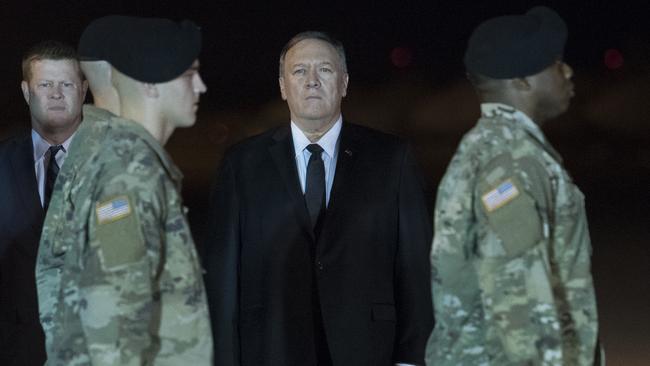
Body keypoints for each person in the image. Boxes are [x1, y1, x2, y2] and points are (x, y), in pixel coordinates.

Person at [205, 31, 433, 366]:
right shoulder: (242, 164)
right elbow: (223, 278)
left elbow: (416, 267)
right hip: (270, 350)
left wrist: (411, 358)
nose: (312, 81)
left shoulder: (391, 159)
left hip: (367, 350)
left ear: (344, 83)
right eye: (299, 72)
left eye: (324, 70)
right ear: (283, 87)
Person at [426, 6, 601, 366]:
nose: (567, 71)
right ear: (522, 81)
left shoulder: (493, 147)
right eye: (555, 63)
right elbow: (518, 296)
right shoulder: (510, 161)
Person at [35, 16, 212, 365]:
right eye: (189, 74)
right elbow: (113, 313)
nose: (202, 86)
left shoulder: (105, 154)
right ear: (150, 83)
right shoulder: (129, 172)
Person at [0, 40, 87, 365]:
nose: (55, 94)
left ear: (83, 89)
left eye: (65, 84)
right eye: (45, 84)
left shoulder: (116, 165)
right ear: (26, 91)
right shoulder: (2, 166)